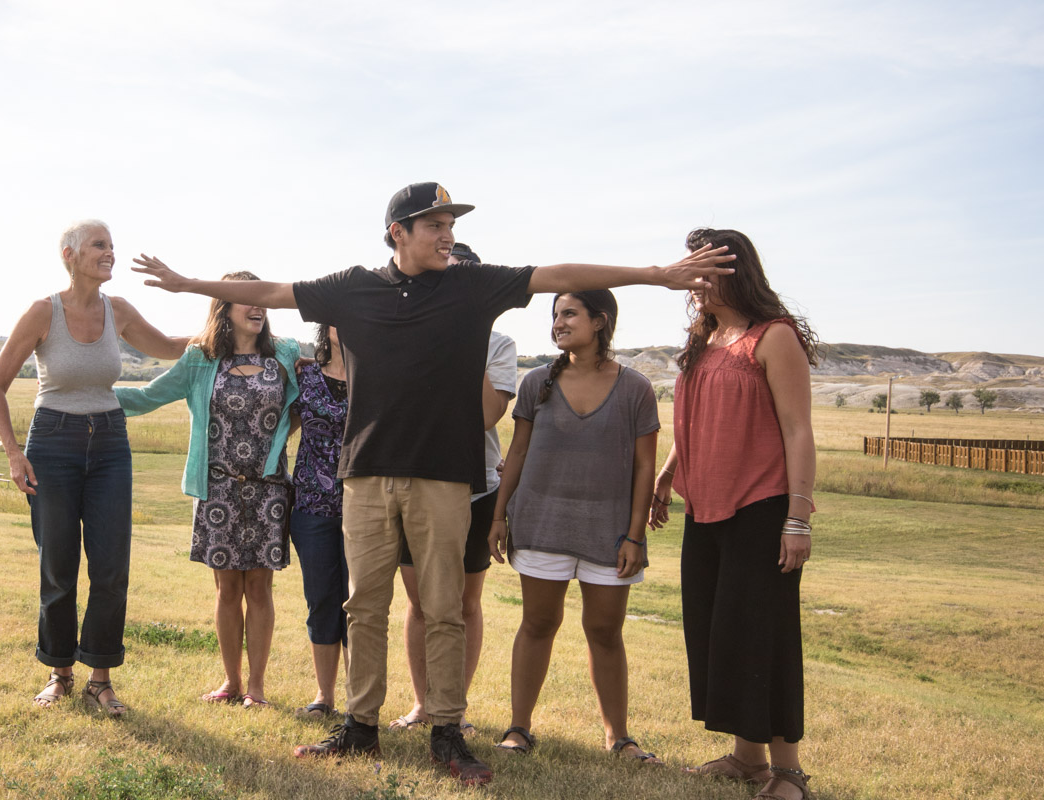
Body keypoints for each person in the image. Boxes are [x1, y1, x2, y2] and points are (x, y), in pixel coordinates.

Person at [130, 182, 735, 786]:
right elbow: (271, 291)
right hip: (364, 474)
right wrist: (192, 286)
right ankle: (360, 725)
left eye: (450, 224)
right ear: (398, 232)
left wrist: (657, 274)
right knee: (363, 605)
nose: (448, 236)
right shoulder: (353, 288)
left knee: (443, 606)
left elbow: (558, 273)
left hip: (446, 476)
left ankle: (447, 731)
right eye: (435, 225)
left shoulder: (472, 286)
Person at [0, 220, 189, 716]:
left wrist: (218, 328)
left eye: (112, 246)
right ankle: (59, 672)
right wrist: (13, 452)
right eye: (100, 245)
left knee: (111, 564)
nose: (110, 253)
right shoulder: (42, 312)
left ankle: (101, 677)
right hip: (52, 443)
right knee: (58, 563)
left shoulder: (117, 310)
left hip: (111, 443)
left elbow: (166, 346)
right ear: (69, 254)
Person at [648, 228, 817, 800]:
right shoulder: (707, 338)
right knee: (719, 634)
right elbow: (697, 413)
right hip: (706, 507)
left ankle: (788, 771)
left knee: (764, 635)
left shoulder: (774, 338)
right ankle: (747, 759)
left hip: (762, 508)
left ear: (730, 271)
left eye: (702, 271)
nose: (692, 283)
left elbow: (797, 429)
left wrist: (798, 517)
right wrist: (669, 473)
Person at [488, 289, 662, 763]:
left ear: (600, 321)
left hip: (610, 532)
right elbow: (517, 453)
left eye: (570, 313)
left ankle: (618, 737)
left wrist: (635, 535)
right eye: (555, 315)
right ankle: (518, 729)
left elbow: (645, 468)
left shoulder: (636, 388)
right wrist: (499, 515)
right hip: (542, 522)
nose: (558, 322)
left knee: (605, 631)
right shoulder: (536, 382)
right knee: (538, 623)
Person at [114, 271, 300, 707]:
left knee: (260, 590)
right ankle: (231, 683)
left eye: (262, 302)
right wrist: (84, 394)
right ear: (224, 306)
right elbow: (147, 397)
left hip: (269, 490)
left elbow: (306, 403)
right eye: (246, 301)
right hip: (217, 490)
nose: (258, 308)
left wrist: (280, 444)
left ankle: (256, 688)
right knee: (227, 591)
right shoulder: (201, 359)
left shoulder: (287, 354)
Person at [390, 243, 516, 737]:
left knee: (463, 603)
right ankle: (424, 705)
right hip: (411, 483)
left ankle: (454, 709)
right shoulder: (407, 331)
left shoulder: (498, 342)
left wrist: (467, 334)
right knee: (420, 603)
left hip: (474, 486)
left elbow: (487, 414)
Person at [287, 323, 349, 719]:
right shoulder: (303, 375)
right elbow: (278, 427)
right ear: (326, 326)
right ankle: (324, 697)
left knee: (363, 606)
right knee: (322, 599)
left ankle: (360, 700)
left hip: (369, 508)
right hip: (311, 505)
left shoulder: (380, 375)